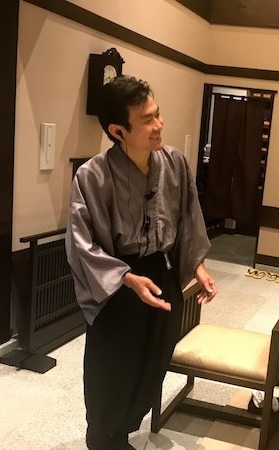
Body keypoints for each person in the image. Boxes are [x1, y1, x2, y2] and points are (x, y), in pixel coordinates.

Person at [65, 75, 217, 450]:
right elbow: (81, 243)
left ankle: (124, 432)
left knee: (153, 360)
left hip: (161, 272)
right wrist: (127, 279)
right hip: (115, 283)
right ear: (118, 131)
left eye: (158, 114)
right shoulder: (92, 176)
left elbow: (187, 219)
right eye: (147, 120)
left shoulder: (175, 163)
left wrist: (197, 266)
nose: (158, 125)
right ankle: (104, 439)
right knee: (112, 367)